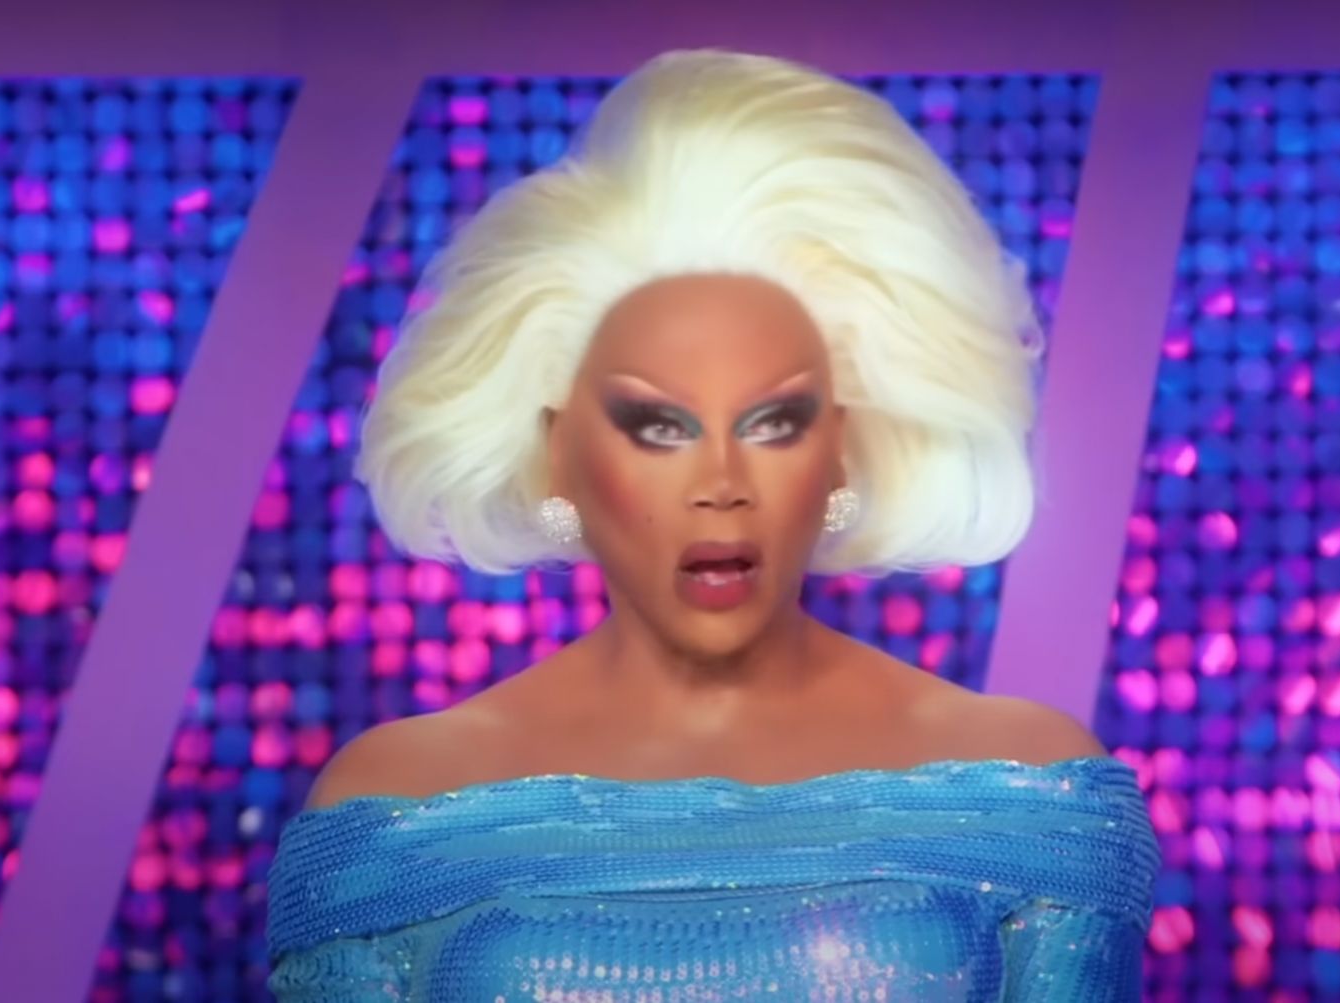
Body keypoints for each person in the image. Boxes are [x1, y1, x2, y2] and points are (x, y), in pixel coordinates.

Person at [265, 48, 1160, 1001]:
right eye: (659, 427)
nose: (721, 483)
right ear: (560, 453)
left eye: (774, 423)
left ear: (839, 451)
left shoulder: (1032, 792)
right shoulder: (395, 809)